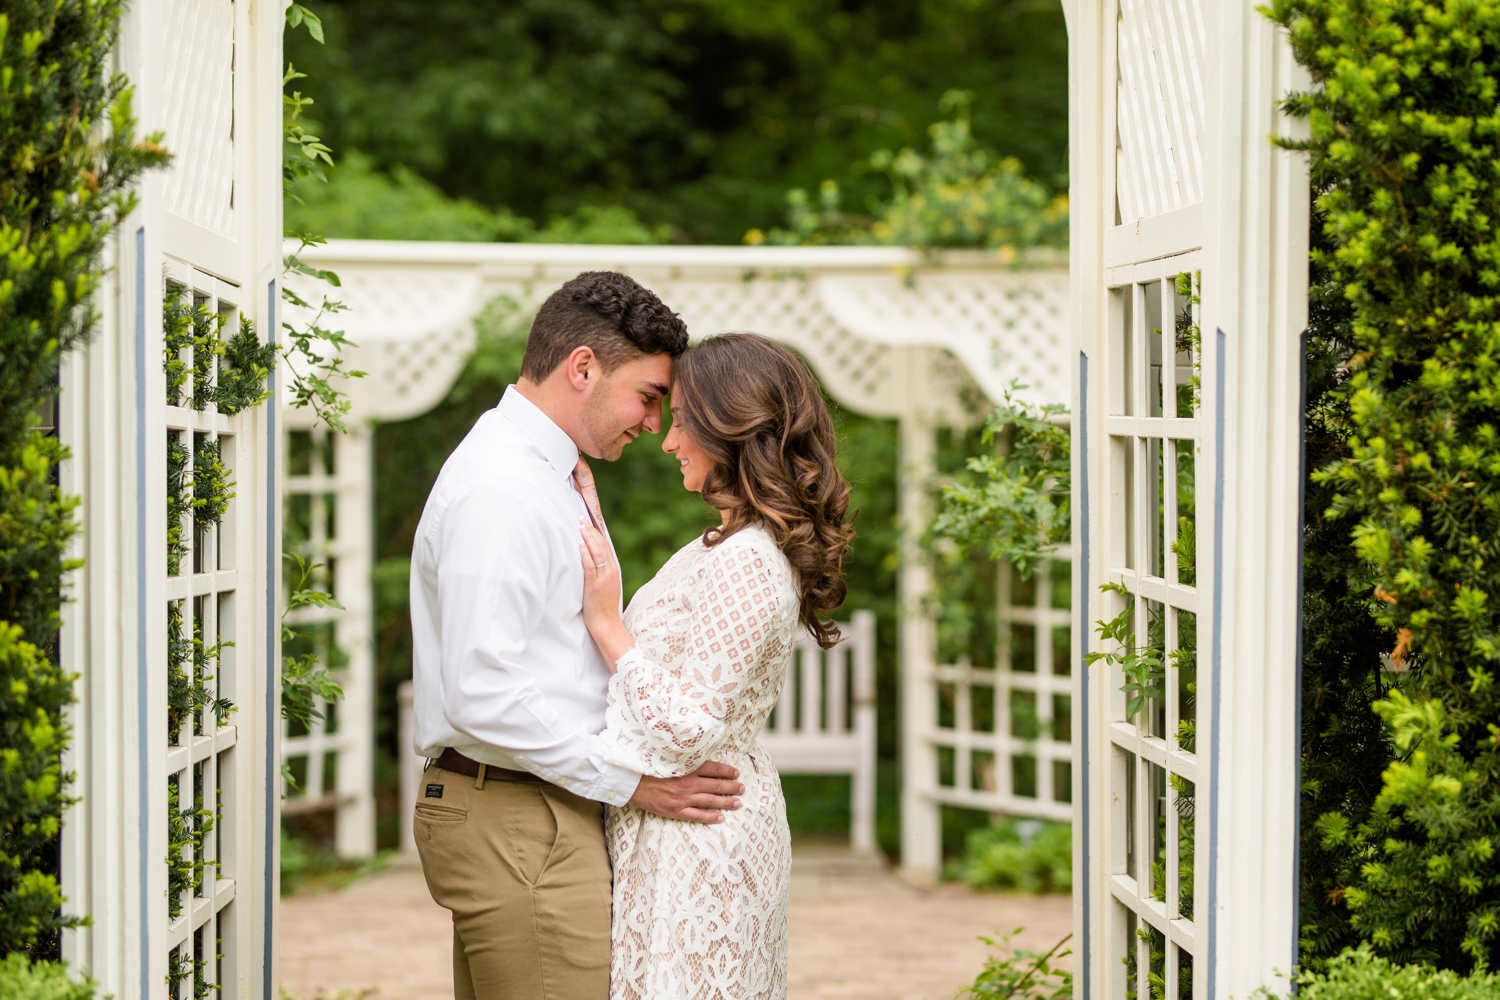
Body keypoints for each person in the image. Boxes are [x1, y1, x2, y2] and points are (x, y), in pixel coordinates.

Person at [408, 271, 748, 1000]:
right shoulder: (503, 488)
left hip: (531, 806)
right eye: (650, 397)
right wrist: (633, 785)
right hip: (515, 815)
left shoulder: (540, 475)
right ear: (583, 367)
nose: (655, 424)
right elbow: (480, 689)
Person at [578, 333, 855, 1000]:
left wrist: (608, 625)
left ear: (731, 429)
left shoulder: (747, 558)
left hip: (705, 832)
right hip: (681, 823)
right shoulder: (721, 545)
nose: (668, 441)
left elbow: (691, 727)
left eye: (679, 423)